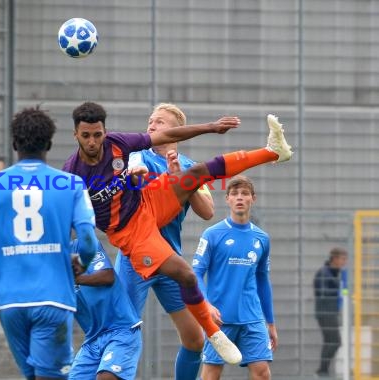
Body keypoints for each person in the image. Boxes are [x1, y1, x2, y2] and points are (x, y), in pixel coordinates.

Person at [62, 101, 292, 364]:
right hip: (134, 236)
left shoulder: (121, 144)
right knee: (132, 320)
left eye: (98, 135)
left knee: (198, 173)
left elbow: (206, 211)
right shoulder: (75, 173)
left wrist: (211, 128)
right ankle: (215, 334)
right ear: (76, 135)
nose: (93, 142)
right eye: (86, 136)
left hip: (150, 204)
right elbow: (70, 218)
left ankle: (272, 152)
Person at [0, 106, 99, 380]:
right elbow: (89, 241)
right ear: (49, 143)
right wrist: (81, 263)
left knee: (32, 376)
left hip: (8, 300)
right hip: (53, 297)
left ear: (14, 144)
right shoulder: (70, 184)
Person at [114, 103, 214, 380]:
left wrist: (184, 181)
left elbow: (207, 211)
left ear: (177, 133)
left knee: (195, 339)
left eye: (159, 122)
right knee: (123, 332)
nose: (151, 125)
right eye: (150, 121)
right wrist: (136, 177)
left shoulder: (192, 168)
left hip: (170, 262)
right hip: (137, 259)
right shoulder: (137, 156)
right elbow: (133, 179)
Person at [193, 175, 278, 380]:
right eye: (235, 194)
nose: (240, 197)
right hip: (220, 318)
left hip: (253, 317)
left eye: (245, 193)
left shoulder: (262, 238)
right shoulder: (212, 234)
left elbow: (262, 281)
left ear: (253, 199)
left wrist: (271, 322)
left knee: (262, 373)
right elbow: (195, 273)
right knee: (212, 374)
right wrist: (206, 306)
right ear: (228, 199)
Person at [69, 239, 143, 380]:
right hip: (92, 341)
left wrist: (73, 279)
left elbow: (107, 276)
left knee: (106, 377)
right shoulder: (48, 268)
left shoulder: (83, 246)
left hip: (121, 331)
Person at [313, 247, 348, 377]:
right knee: (335, 341)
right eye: (343, 259)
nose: (344, 262)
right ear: (335, 258)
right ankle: (322, 370)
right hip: (325, 312)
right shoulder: (325, 273)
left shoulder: (334, 273)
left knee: (330, 341)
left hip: (330, 312)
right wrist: (339, 288)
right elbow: (322, 292)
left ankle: (323, 370)